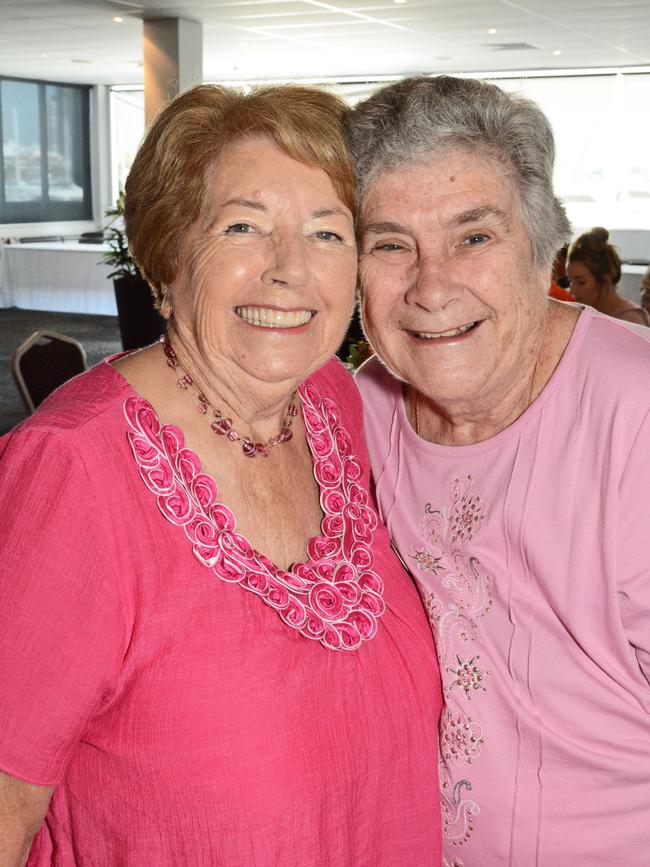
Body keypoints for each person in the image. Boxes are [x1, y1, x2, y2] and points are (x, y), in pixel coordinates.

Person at [0, 84, 442, 866]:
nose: (289, 271)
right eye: (244, 226)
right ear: (170, 255)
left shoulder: (337, 402)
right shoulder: (71, 472)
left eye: (327, 233)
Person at [345, 75, 650, 866]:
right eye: (390, 244)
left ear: (544, 247)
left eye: (473, 237)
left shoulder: (634, 412)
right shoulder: (357, 411)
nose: (432, 287)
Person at [567, 226, 650, 325]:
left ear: (606, 279)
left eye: (581, 282)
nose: (572, 291)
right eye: (570, 282)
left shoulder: (630, 320)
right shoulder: (586, 314)